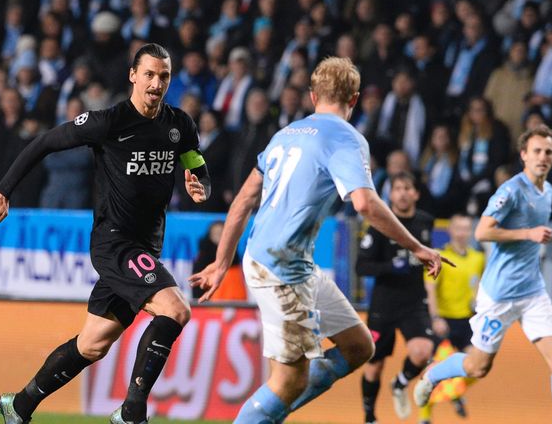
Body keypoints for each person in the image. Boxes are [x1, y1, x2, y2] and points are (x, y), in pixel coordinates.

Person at [189, 57, 450, 423]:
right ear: (354, 99)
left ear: (313, 96)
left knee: (359, 346)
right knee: (288, 381)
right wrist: (417, 246)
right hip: (279, 268)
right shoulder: (347, 137)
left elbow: (245, 198)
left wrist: (221, 260)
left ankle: (271, 415)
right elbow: (364, 203)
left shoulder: (285, 134)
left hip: (287, 262)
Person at [0, 43, 211, 424]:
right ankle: (132, 412)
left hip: (146, 247)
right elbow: (44, 142)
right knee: (176, 309)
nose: (156, 83)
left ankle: (18, 406)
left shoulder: (179, 125)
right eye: (149, 74)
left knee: (92, 344)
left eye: (163, 76)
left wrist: (201, 185)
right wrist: (3, 191)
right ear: (133, 76)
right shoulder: (109, 121)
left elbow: (197, 167)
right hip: (115, 242)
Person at [414, 125, 552, 424]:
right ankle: (435, 373)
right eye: (537, 151)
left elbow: (536, 235)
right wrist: (527, 233)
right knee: (478, 367)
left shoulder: (548, 191)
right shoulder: (511, 191)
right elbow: (483, 230)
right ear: (524, 155)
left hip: (532, 292)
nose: (543, 157)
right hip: (500, 295)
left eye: (549, 152)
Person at [356, 171, 437, 423]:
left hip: (414, 302)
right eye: (397, 188)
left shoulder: (425, 221)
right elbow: (361, 266)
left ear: (416, 194)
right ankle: (369, 416)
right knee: (375, 365)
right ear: (390, 195)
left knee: (423, 351)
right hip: (384, 305)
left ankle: (400, 383)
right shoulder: (380, 225)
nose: (402, 193)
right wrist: (391, 266)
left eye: (407, 188)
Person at [418, 213, 485, 424]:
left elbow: (479, 287)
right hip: (443, 321)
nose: (463, 233)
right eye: (458, 228)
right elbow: (430, 288)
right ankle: (425, 417)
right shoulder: (438, 256)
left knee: (477, 367)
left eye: (466, 229)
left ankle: (455, 391)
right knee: (433, 370)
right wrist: (435, 317)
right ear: (450, 230)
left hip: (466, 321)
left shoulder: (478, 258)